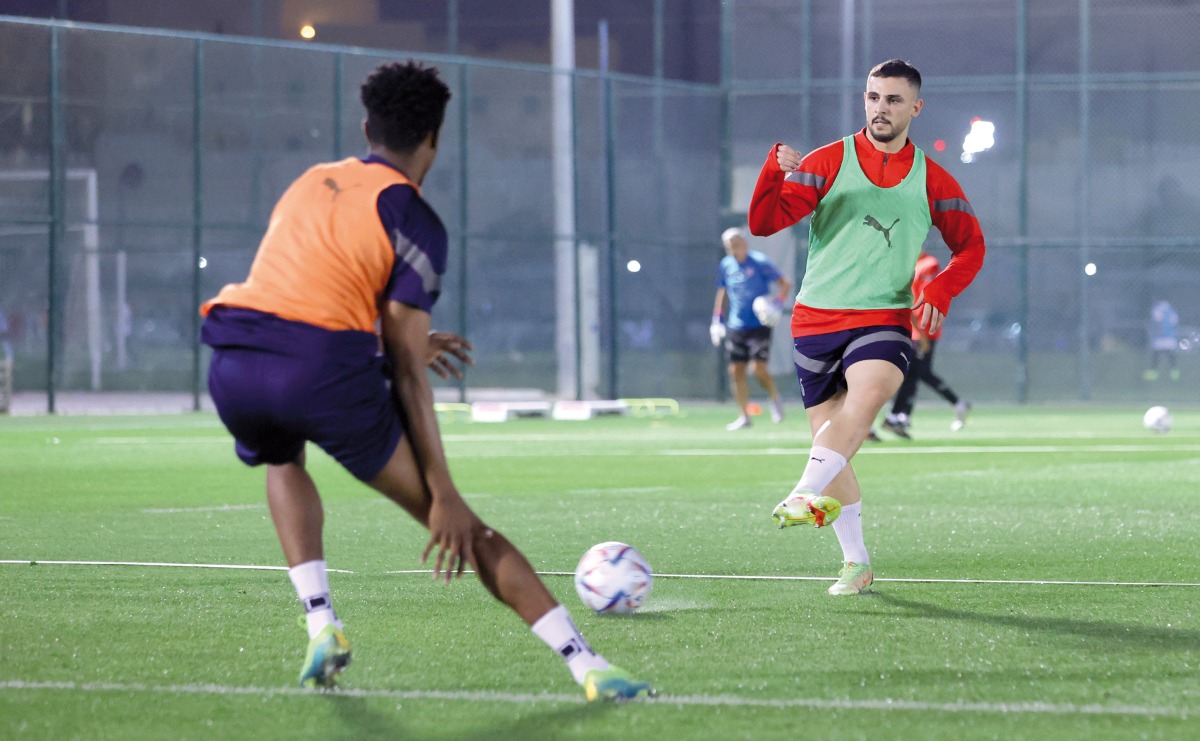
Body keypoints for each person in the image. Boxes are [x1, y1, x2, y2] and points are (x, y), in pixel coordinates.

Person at [199, 61, 651, 700]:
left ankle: (321, 623)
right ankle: (589, 667)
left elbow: (299, 297)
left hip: (235, 363)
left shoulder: (310, 180)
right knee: (468, 530)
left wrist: (383, 341)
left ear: (367, 129)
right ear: (434, 139)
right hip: (320, 374)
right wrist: (445, 492)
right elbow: (409, 373)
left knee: (280, 456)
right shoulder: (414, 217)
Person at [747, 59, 986, 595]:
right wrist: (772, 172)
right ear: (865, 99)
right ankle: (856, 561)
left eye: (894, 100)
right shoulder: (826, 161)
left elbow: (971, 246)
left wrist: (940, 288)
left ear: (915, 108)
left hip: (884, 316)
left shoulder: (934, 178)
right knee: (832, 442)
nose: (882, 108)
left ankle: (803, 491)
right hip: (815, 319)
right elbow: (764, 223)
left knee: (871, 393)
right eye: (874, 97)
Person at [710, 226, 793, 431]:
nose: (733, 248)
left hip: (759, 325)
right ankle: (744, 416)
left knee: (758, 368)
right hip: (736, 325)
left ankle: (774, 397)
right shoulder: (726, 264)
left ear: (744, 243)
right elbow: (722, 290)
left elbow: (785, 283)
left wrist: (777, 303)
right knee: (735, 370)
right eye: (729, 246)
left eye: (736, 244)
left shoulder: (760, 262)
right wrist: (717, 318)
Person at [881, 250, 971, 437]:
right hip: (913, 328)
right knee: (913, 373)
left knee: (917, 372)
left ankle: (954, 403)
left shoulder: (929, 264)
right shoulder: (909, 264)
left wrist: (922, 332)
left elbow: (928, 297)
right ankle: (900, 416)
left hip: (923, 329)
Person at [1143, 299, 1179, 382]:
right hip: (1170, 336)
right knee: (1169, 354)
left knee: (1156, 354)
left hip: (1161, 336)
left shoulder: (1157, 310)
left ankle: (1154, 372)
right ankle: (1174, 372)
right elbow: (1174, 322)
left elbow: (1158, 323)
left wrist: (1158, 333)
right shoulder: (1172, 310)